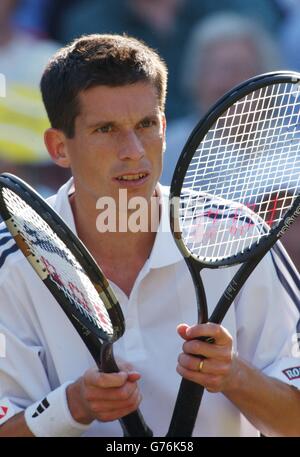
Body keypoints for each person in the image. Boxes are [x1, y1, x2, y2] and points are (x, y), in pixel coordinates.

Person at [0, 33, 299, 437]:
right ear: (59, 147)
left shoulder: (241, 235)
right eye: (106, 129)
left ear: (163, 125)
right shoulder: (12, 262)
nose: (134, 150)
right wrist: (73, 406)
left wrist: (235, 376)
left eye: (145, 125)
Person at [161, 12, 282, 185]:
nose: (226, 82)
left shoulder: (293, 145)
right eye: (214, 69)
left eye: (238, 68)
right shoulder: (166, 150)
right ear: (196, 80)